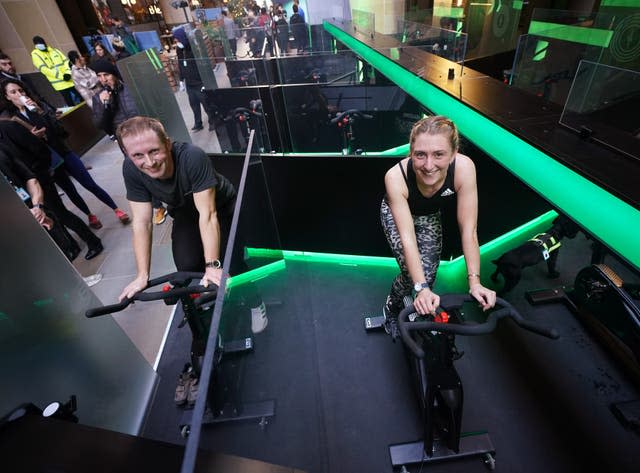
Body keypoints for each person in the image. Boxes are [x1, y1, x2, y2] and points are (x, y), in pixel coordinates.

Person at [116, 116, 267, 334]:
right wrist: (142, 276)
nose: (149, 162)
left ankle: (255, 302)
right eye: (138, 155)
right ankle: (215, 293)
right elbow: (141, 222)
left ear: (167, 143)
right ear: (128, 155)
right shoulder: (131, 169)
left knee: (228, 264)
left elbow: (208, 214)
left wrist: (213, 265)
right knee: (186, 266)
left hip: (221, 207)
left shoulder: (191, 157)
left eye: (154, 151)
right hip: (184, 210)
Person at [381, 116, 496, 336]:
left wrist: (475, 282)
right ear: (411, 153)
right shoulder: (395, 177)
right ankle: (392, 307)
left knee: (429, 273)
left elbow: (469, 230)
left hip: (429, 215)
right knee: (411, 275)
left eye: (439, 154)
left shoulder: (464, 169)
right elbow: (408, 238)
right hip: (396, 212)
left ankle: (421, 305)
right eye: (420, 155)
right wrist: (420, 287)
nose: (428, 165)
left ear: (453, 154)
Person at [1, 77, 130, 228]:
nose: (19, 94)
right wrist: (34, 138)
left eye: (21, 90)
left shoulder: (38, 106)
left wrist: (41, 112)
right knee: (70, 190)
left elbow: (59, 130)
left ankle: (116, 209)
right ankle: (90, 215)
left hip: (62, 152)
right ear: (7, 97)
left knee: (89, 183)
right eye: (13, 92)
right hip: (48, 161)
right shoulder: (12, 119)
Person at [0, 119, 103, 260]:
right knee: (50, 217)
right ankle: (72, 246)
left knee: (61, 214)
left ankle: (93, 242)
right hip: (25, 188)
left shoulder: (9, 127)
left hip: (39, 180)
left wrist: (41, 172)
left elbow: (39, 148)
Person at [90, 60, 168, 226]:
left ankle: (174, 195)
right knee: (144, 171)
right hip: (127, 143)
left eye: (106, 75)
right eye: (99, 76)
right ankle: (157, 206)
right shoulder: (99, 98)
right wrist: (105, 104)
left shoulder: (130, 88)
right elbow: (100, 125)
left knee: (162, 163)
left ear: (114, 74)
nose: (103, 79)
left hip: (148, 135)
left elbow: (151, 103)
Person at [172, 27, 216, 133]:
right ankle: (198, 123)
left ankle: (213, 121)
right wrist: (181, 80)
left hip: (199, 82)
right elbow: (181, 64)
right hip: (189, 83)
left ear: (182, 38)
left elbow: (203, 65)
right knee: (194, 104)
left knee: (206, 103)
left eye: (177, 39)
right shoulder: (179, 50)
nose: (176, 42)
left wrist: (205, 81)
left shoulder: (193, 49)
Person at [30, 36, 81, 106]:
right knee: (70, 103)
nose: (40, 44)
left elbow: (66, 62)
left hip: (69, 79)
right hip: (59, 84)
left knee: (81, 96)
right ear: (35, 45)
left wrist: (68, 73)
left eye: (41, 42)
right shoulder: (35, 55)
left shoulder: (54, 50)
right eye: (38, 43)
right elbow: (44, 69)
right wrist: (62, 76)